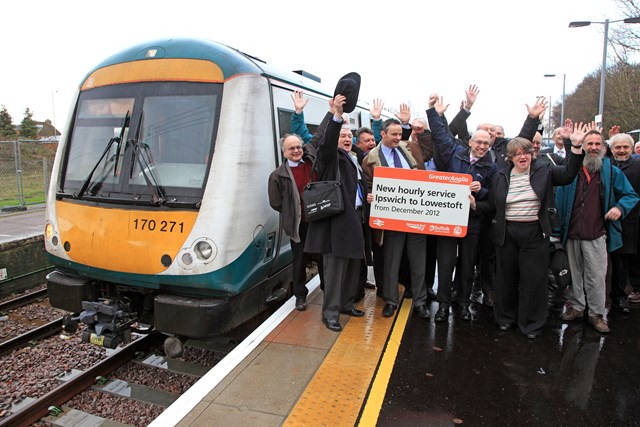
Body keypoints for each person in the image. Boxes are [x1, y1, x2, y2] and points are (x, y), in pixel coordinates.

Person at [475, 117, 585, 339]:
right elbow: (492, 206)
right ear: (511, 158)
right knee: (505, 279)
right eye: (517, 154)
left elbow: (570, 173)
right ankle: (505, 318)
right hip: (506, 234)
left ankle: (531, 325)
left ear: (533, 155)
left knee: (533, 281)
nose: (522, 157)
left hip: (535, 234)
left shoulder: (545, 171)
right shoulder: (500, 176)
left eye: (526, 153)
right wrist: (474, 204)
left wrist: (575, 146)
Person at [556, 128, 640, 333]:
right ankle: (577, 307)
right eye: (589, 144)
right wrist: (557, 230)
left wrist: (619, 208)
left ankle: (596, 314)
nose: (593, 147)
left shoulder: (611, 171)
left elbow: (631, 195)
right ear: (583, 146)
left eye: (597, 144)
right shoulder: (572, 169)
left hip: (596, 233)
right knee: (575, 275)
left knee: (596, 276)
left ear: (603, 147)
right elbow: (558, 200)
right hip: (572, 233)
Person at [426, 94, 496, 321]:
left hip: (472, 225)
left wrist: (480, 195)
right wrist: (433, 112)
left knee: (467, 267)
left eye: (487, 143)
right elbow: (439, 135)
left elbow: (493, 202)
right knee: (445, 265)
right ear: (470, 142)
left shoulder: (492, 168)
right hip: (448, 222)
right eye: (479, 142)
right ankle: (444, 305)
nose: (483, 146)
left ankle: (463, 303)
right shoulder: (454, 154)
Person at [304, 81, 366, 331]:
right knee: (334, 271)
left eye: (350, 135)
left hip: (355, 221)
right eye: (343, 135)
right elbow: (327, 141)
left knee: (352, 266)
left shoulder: (353, 159)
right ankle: (330, 313)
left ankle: (345, 303)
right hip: (337, 224)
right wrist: (336, 117)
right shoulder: (329, 157)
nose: (348, 138)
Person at [362, 118, 429, 319]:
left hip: (416, 216)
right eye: (394, 135)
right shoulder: (369, 160)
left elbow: (427, 165)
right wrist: (371, 195)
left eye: (400, 134)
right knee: (391, 262)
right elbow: (368, 186)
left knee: (418, 262)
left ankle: (420, 302)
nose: (398, 138)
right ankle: (391, 301)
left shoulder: (411, 149)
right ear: (382, 134)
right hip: (391, 220)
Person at [268, 134, 324, 311]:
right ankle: (300, 296)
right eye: (291, 148)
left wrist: (333, 113)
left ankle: (327, 290)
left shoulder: (310, 162)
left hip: (318, 221)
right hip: (299, 225)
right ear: (284, 152)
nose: (296, 151)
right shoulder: (277, 176)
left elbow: (319, 136)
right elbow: (275, 202)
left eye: (298, 147)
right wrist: (293, 212)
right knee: (299, 260)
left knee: (324, 258)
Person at [606, 133, 640, 315]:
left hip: (630, 221)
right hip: (605, 220)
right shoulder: (605, 165)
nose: (621, 150)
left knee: (621, 262)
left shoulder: (638, 165)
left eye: (625, 147)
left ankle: (619, 298)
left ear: (631, 148)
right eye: (617, 147)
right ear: (611, 149)